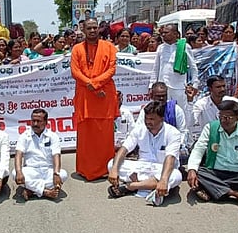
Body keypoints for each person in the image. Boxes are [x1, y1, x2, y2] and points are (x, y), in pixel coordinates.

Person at [187, 100, 238, 212]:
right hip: (217, 173)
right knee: (198, 173)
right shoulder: (211, 128)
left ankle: (215, 189)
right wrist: (191, 170)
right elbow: (198, 150)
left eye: (228, 117)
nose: (223, 120)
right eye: (220, 116)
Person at [106, 101, 183, 206]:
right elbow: (124, 149)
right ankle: (151, 186)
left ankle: (131, 186)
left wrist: (163, 180)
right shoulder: (140, 129)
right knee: (111, 164)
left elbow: (170, 158)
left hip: (162, 169)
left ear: (161, 118)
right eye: (146, 118)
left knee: (176, 176)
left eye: (151, 119)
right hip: (142, 167)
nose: (148, 122)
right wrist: (114, 170)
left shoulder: (173, 133)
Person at [70, 19, 119, 180]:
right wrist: (90, 84)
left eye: (94, 27)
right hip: (85, 97)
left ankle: (106, 169)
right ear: (83, 29)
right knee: (87, 136)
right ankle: (86, 170)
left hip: (104, 97)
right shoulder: (77, 49)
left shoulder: (109, 47)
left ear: (99, 29)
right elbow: (75, 71)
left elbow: (111, 69)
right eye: (89, 28)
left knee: (104, 135)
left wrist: (96, 85)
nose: (92, 30)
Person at [13, 109, 66, 200]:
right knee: (14, 173)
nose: (35, 124)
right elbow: (18, 154)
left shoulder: (53, 136)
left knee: (63, 174)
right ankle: (45, 191)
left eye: (39, 121)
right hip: (31, 170)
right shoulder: (24, 136)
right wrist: (19, 172)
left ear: (46, 122)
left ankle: (32, 190)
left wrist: (56, 174)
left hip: (48, 170)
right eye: (33, 121)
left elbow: (56, 155)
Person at [188, 76, 238, 140]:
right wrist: (190, 101)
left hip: (231, 140)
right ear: (210, 89)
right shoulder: (201, 104)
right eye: (218, 87)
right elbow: (191, 122)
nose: (222, 89)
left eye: (224, 86)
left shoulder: (231, 101)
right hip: (210, 141)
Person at [150, 24, 200, 107]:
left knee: (180, 112)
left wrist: (195, 84)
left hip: (179, 87)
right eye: (162, 33)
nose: (163, 35)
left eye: (166, 32)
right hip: (163, 88)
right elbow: (156, 68)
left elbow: (193, 67)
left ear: (175, 34)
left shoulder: (184, 47)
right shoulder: (161, 48)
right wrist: (152, 85)